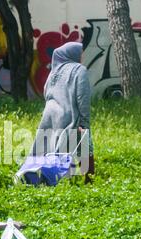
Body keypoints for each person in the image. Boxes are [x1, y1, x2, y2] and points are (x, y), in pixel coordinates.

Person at [31, 42, 95, 184]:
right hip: (70, 116)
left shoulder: (53, 72)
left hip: (50, 117)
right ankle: (88, 183)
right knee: (85, 148)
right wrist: (84, 123)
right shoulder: (79, 70)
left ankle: (45, 181)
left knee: (51, 148)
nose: (82, 56)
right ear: (73, 54)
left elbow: (46, 93)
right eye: (80, 53)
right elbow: (82, 97)